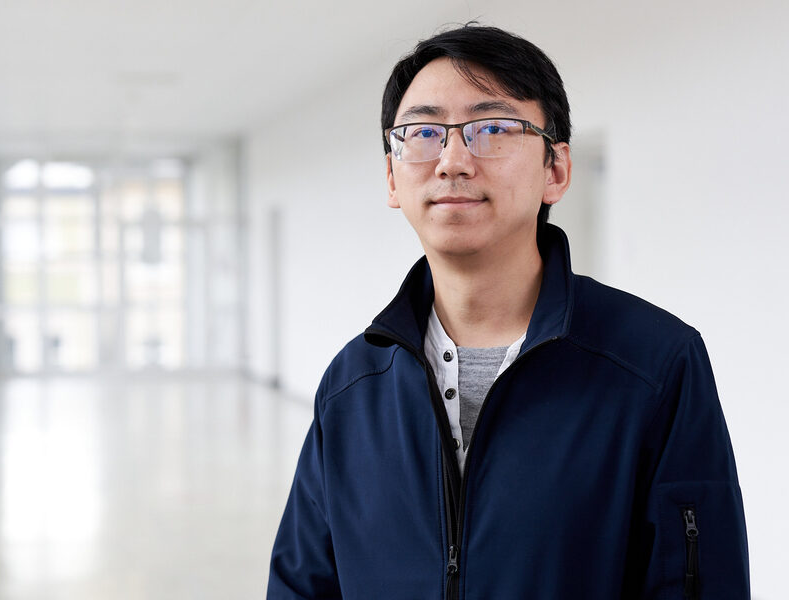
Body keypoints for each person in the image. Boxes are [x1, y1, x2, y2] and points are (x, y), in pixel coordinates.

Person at [267, 24, 749, 599]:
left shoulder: (653, 364)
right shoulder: (353, 385)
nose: (452, 160)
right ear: (392, 177)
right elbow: (302, 586)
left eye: (491, 128)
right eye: (423, 132)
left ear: (556, 169)